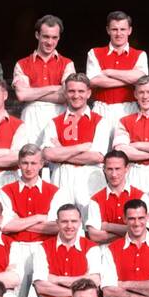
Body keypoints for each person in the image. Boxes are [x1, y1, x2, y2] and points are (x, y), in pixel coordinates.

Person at [42, 73, 110, 207]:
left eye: (81, 91)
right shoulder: (54, 122)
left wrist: (61, 151)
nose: (76, 95)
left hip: (90, 174)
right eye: (71, 91)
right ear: (65, 93)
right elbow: (48, 154)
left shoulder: (100, 121)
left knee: (91, 221)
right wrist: (79, 148)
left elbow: (97, 157)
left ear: (89, 93)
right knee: (60, 221)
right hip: (62, 176)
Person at [10, 14, 73, 145]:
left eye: (54, 37)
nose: (50, 42)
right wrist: (53, 88)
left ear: (59, 37)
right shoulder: (22, 64)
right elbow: (22, 95)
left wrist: (31, 93)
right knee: (30, 158)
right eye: (46, 36)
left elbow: (65, 96)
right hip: (31, 116)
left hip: (59, 114)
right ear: (37, 35)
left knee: (59, 157)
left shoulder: (67, 63)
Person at [85, 10, 148, 123]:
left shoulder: (140, 54)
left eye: (123, 29)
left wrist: (108, 72)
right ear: (108, 30)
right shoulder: (94, 52)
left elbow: (141, 79)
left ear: (129, 30)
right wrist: (130, 80)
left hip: (130, 109)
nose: (119, 34)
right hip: (101, 109)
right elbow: (93, 81)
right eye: (114, 29)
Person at [86, 150, 149, 245]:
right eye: (110, 169)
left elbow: (145, 231)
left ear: (127, 168)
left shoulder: (141, 196)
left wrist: (108, 226)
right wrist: (130, 231)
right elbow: (94, 236)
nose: (114, 174)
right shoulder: (95, 200)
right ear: (104, 169)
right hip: (106, 253)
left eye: (117, 169)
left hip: (133, 250)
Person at [0, 145, 59, 243]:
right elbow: (5, 226)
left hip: (44, 247)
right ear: (19, 164)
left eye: (33, 163)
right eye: (25, 163)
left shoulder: (54, 191)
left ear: (41, 164)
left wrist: (20, 222)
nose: (29, 168)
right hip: (15, 246)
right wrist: (38, 218)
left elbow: (57, 227)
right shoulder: (6, 191)